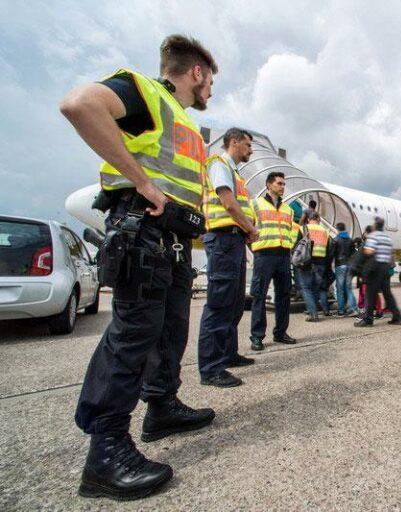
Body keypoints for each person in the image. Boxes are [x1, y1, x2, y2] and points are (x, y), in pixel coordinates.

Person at [60, 34, 217, 500]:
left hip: (172, 242)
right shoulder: (145, 92)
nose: (212, 91)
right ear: (197, 73)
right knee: (131, 336)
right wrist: (143, 183)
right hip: (142, 232)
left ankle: (161, 407)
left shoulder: (184, 122)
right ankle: (105, 454)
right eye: (212, 82)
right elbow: (79, 104)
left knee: (168, 330)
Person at [197, 128, 258, 388]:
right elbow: (229, 205)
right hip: (222, 240)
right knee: (219, 303)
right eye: (247, 145)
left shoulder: (234, 172)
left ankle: (228, 354)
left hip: (233, 241)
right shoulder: (219, 165)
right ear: (234, 142)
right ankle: (211, 368)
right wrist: (251, 229)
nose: (250, 150)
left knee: (233, 303)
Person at [250, 171, 298, 350]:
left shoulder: (289, 210)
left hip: (284, 255)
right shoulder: (255, 204)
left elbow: (291, 232)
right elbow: (249, 229)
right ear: (269, 185)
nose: (282, 187)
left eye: (284, 184)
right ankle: (257, 336)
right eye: (279, 183)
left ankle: (280, 332)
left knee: (284, 295)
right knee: (259, 295)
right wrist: (255, 249)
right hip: (264, 255)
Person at [354, 217, 401, 327]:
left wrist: (362, 254)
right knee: (388, 294)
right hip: (386, 268)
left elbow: (369, 251)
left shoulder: (373, 236)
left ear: (375, 225)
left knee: (370, 293)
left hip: (376, 268)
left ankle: (368, 319)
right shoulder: (387, 238)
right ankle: (397, 317)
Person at [297, 213, 332, 321]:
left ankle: (313, 314)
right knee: (315, 288)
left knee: (306, 288)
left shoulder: (303, 228)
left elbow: (297, 245)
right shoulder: (325, 230)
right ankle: (312, 310)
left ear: (309, 219)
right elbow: (329, 249)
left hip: (307, 262)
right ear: (319, 219)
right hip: (321, 263)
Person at [333, 222, 358, 316]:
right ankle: (354, 308)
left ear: (337, 229)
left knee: (340, 289)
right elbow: (354, 253)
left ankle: (341, 311)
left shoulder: (336, 240)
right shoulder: (351, 240)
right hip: (349, 266)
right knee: (348, 288)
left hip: (340, 265)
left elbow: (332, 253)